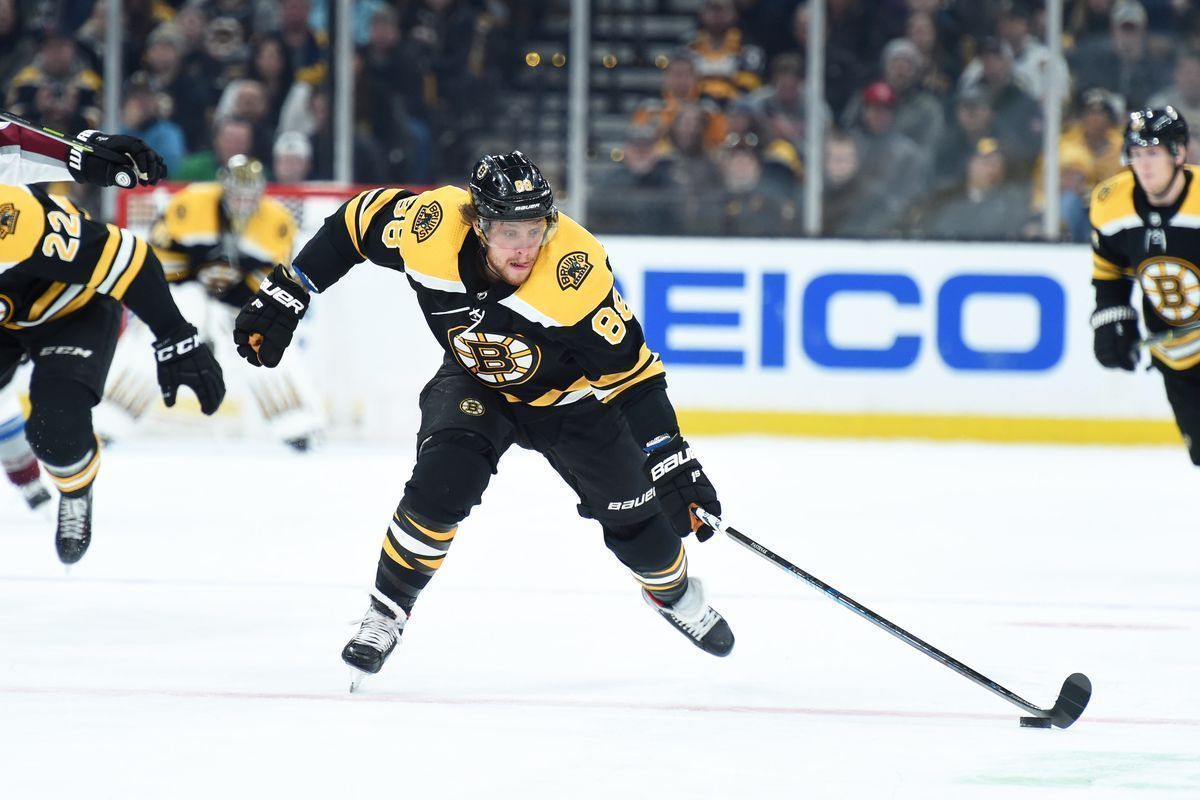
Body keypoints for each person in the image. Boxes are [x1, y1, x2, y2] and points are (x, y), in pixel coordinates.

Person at [231, 151, 733, 687]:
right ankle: (386, 613)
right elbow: (354, 225)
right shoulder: (430, 228)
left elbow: (634, 377)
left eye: (536, 227)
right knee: (441, 485)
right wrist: (289, 291)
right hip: (476, 383)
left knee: (640, 526)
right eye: (509, 231)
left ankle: (674, 592)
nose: (525, 246)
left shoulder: (575, 273)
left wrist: (672, 462)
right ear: (478, 224)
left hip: (574, 403)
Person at [0, 127, 224, 562]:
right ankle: (25, 470)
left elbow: (128, 258)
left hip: (70, 308)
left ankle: (74, 486)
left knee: (57, 431)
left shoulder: (11, 221)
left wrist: (175, 337)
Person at [98, 155, 323, 451]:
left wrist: (239, 292)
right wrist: (194, 274)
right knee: (157, 334)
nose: (243, 202)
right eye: (237, 194)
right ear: (223, 187)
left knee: (266, 337)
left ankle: (298, 426)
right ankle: (108, 423)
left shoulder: (277, 222)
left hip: (241, 299)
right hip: (186, 287)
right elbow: (156, 257)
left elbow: (276, 280)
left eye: (249, 195)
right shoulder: (190, 205)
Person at [1090, 106, 1200, 466]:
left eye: (1153, 153)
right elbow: (1109, 270)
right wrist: (1112, 317)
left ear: (1178, 153)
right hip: (1175, 359)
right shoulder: (1111, 203)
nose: (1144, 165)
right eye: (1137, 154)